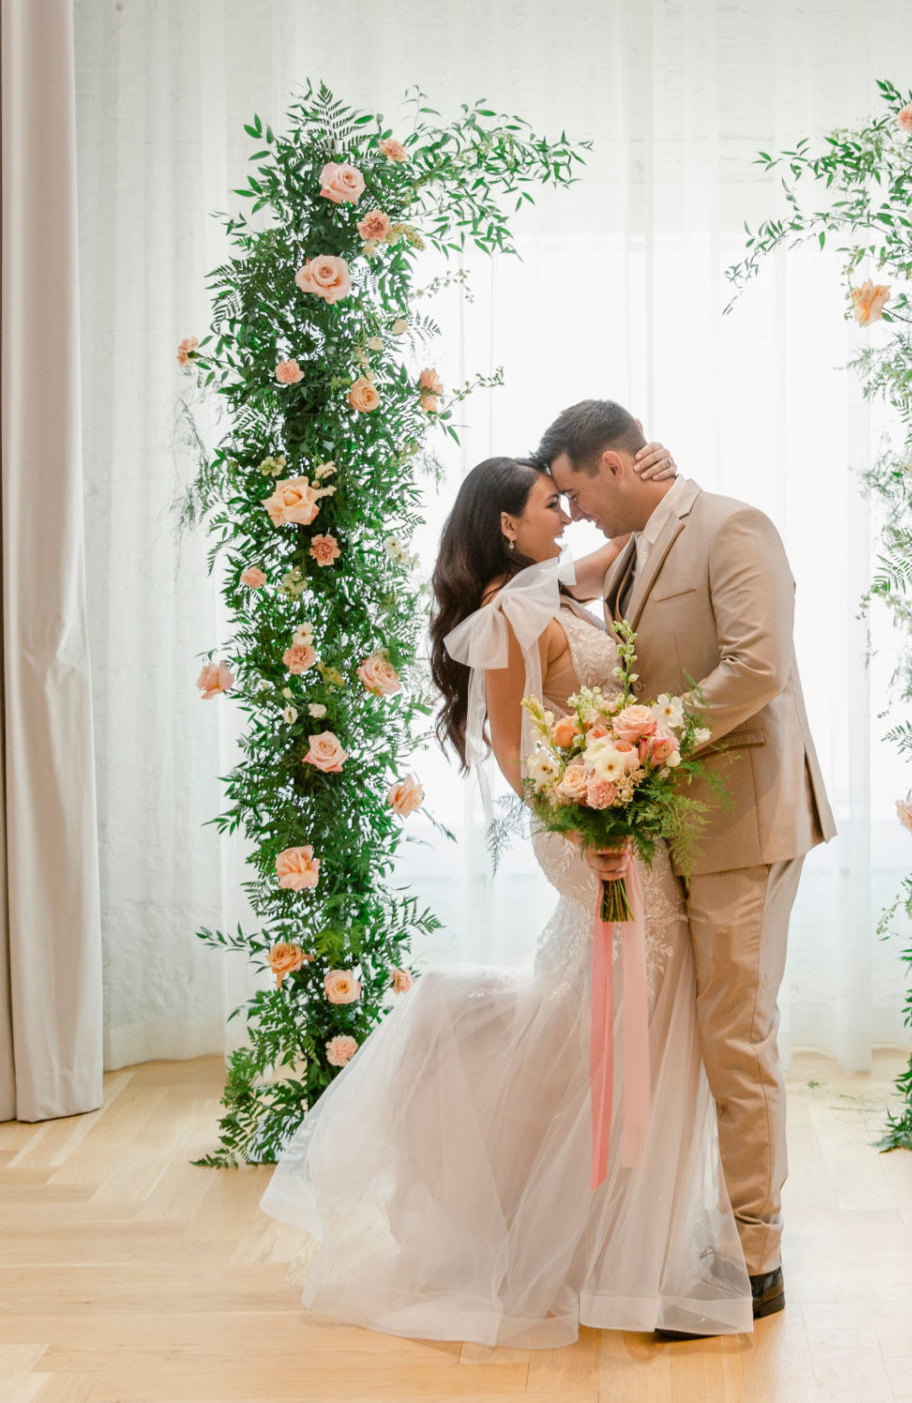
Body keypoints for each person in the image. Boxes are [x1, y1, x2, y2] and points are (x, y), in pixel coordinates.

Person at [258, 445, 753, 1348]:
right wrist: (589, 827)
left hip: (622, 819)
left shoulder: (557, 586)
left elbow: (632, 535)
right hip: (588, 833)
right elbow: (519, 754)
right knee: (620, 1006)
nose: (567, 516)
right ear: (506, 525)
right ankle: (578, 1231)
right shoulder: (504, 614)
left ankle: (614, 1231)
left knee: (620, 1012)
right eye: (548, 504)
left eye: (566, 501)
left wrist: (663, 472)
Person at [537, 400, 836, 1325]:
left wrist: (646, 744)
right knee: (680, 1040)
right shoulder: (627, 553)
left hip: (745, 822)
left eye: (577, 487)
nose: (574, 509)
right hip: (675, 832)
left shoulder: (735, 527)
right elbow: (550, 593)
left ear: (619, 465)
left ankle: (759, 1255)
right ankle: (683, 1228)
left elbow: (755, 670)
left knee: (735, 1037)